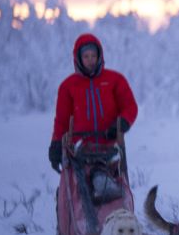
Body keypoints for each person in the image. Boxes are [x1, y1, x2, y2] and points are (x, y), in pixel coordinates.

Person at [48, 33, 138, 168]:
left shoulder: (115, 80)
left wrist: (121, 124)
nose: (90, 60)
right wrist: (56, 145)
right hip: (79, 151)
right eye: (86, 56)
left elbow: (130, 107)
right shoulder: (68, 86)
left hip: (110, 147)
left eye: (93, 56)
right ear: (78, 58)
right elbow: (62, 121)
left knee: (111, 185)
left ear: (99, 56)